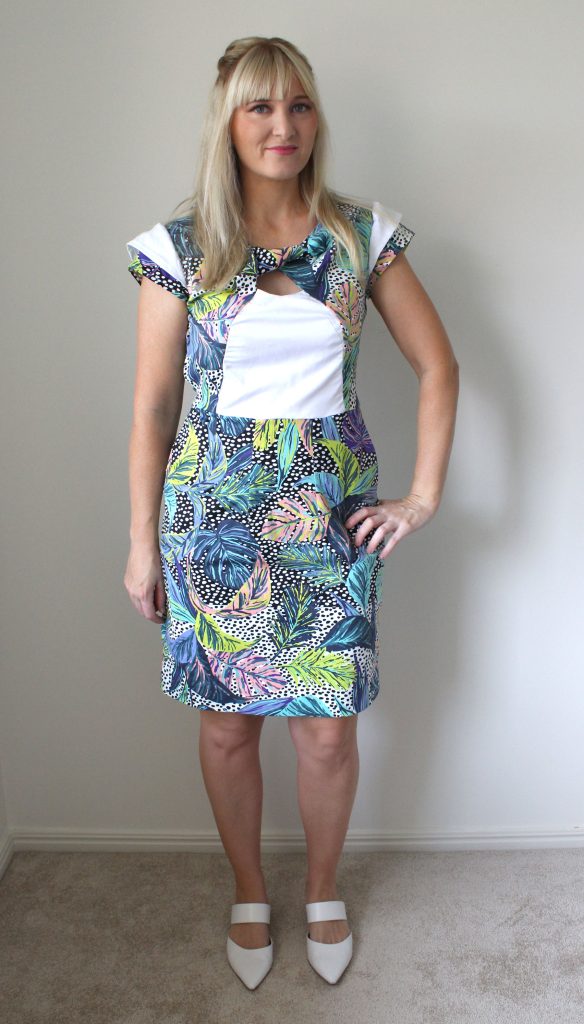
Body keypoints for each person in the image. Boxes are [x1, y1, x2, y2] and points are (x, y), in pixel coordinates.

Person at [123, 36, 459, 990]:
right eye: (261, 107)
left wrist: (422, 497)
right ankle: (246, 890)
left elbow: (440, 365)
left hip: (328, 525)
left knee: (328, 730)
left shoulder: (359, 236)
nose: (284, 126)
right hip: (210, 528)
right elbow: (153, 409)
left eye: (300, 106)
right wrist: (140, 543)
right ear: (228, 123)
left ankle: (319, 889)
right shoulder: (180, 250)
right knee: (228, 726)